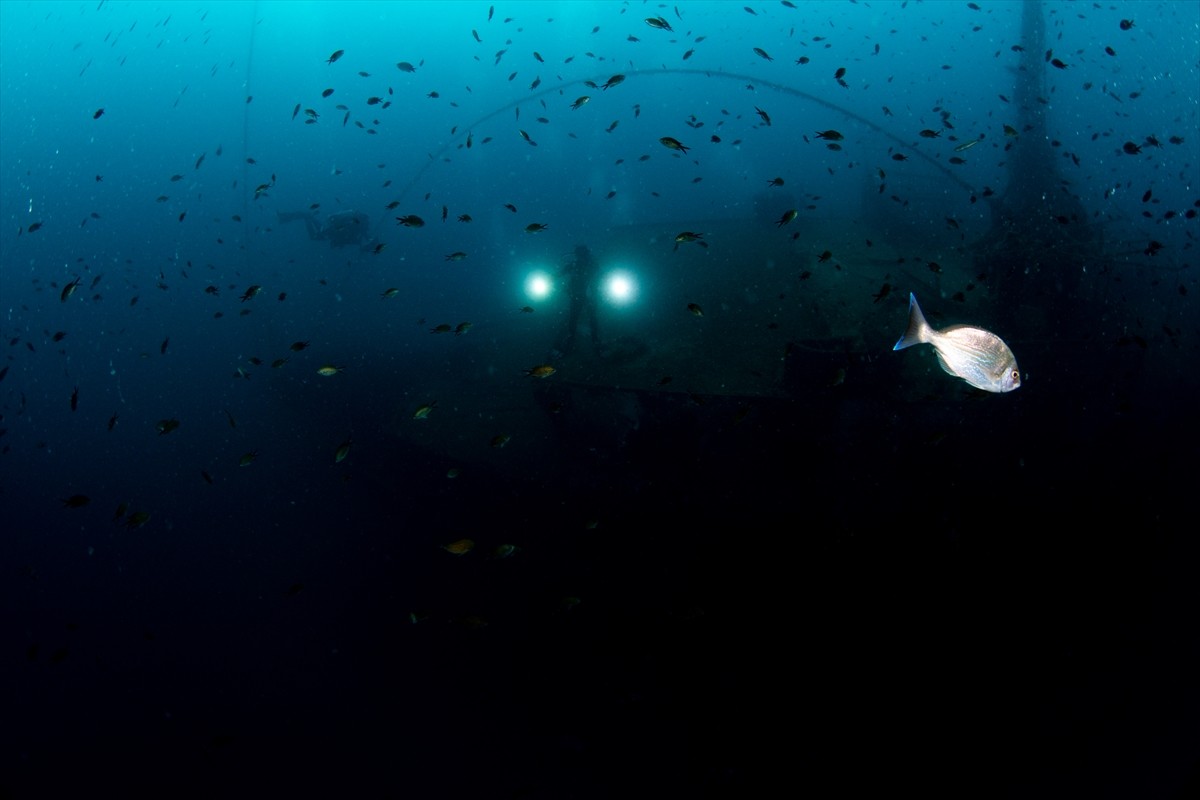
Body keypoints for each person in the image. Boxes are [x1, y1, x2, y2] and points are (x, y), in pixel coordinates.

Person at [554, 244, 603, 357]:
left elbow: (600, 275)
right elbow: (561, 273)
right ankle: (594, 343)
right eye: (579, 255)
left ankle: (587, 343)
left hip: (584, 296)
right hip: (580, 296)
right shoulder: (577, 265)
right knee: (582, 319)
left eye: (581, 255)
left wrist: (551, 277)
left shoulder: (588, 265)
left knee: (584, 319)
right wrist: (550, 277)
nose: (580, 257)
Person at [277, 209, 377, 250]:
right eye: (367, 224)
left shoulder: (358, 226)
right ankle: (306, 216)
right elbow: (362, 236)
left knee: (317, 233)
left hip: (330, 232)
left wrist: (368, 243)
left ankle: (304, 216)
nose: (368, 226)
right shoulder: (358, 226)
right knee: (314, 236)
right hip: (331, 232)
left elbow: (362, 237)